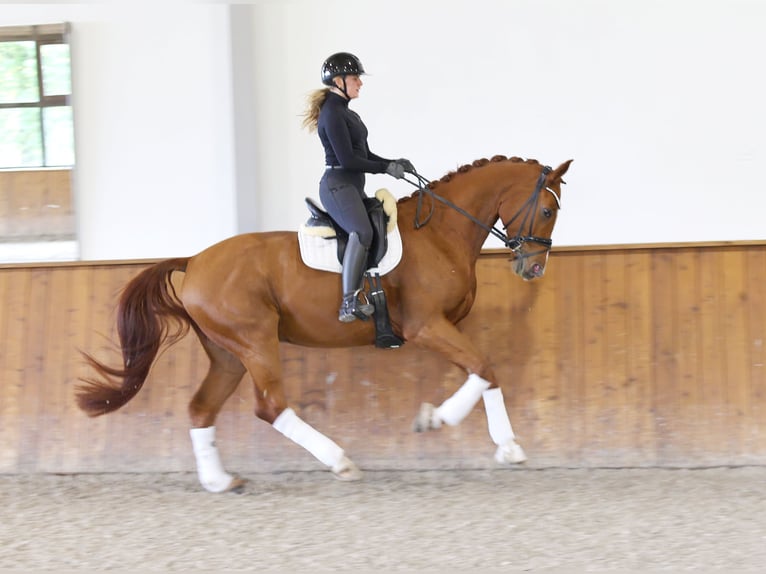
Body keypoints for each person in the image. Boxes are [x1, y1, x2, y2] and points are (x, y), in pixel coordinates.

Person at [302, 52, 415, 322]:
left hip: (350, 186)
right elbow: (349, 160)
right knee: (361, 231)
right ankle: (348, 302)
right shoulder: (332, 113)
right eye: (355, 78)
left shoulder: (346, 113)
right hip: (337, 186)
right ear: (338, 81)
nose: (360, 83)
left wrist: (392, 163)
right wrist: (385, 169)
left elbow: (364, 154)